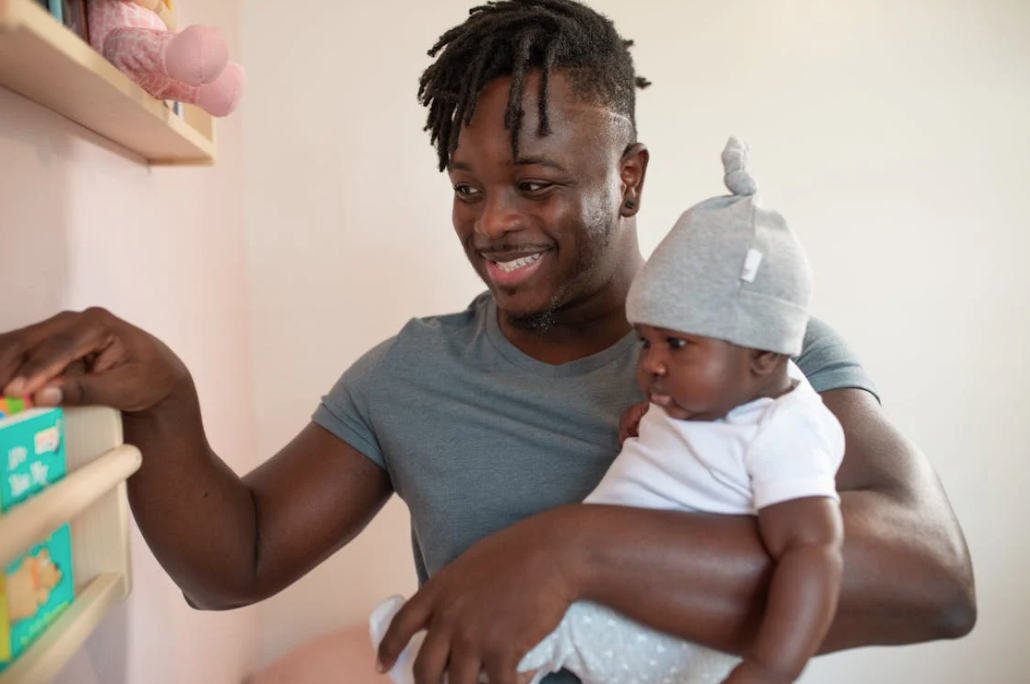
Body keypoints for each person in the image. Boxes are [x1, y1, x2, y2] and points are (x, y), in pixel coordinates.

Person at [0, 2, 974, 684]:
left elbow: (932, 582)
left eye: (536, 184)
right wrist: (165, 402)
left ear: (628, 177)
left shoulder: (753, 349)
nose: (491, 224)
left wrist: (572, 551)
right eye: (468, 187)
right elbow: (234, 565)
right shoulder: (411, 373)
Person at [370, 137, 846, 684]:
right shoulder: (709, 399)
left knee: (504, 637)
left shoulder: (786, 431)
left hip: (660, 628)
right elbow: (695, 465)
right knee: (500, 633)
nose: (652, 365)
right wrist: (646, 428)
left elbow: (813, 553)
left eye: (678, 345)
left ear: (763, 352)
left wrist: (769, 665)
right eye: (647, 342)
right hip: (604, 599)